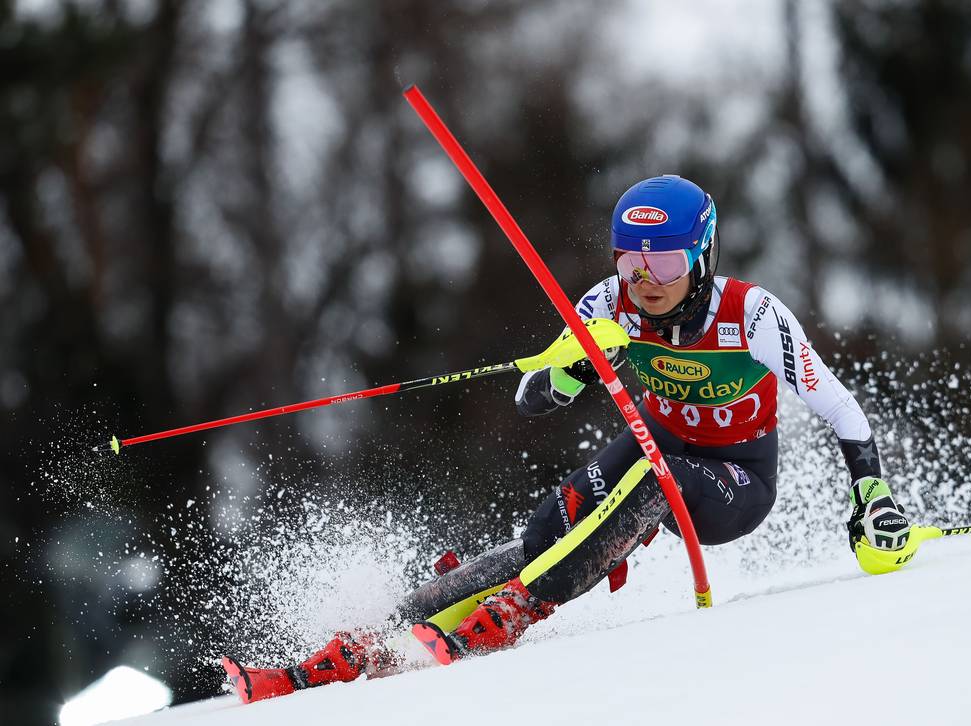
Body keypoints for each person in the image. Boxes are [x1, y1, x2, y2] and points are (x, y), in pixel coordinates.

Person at [221, 174, 916, 703]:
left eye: (666, 265)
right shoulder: (605, 305)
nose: (646, 283)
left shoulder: (752, 315)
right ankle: (358, 645)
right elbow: (531, 398)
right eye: (631, 263)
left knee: (654, 477)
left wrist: (872, 494)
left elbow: (841, 408)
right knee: (544, 531)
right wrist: (577, 369)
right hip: (656, 450)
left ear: (701, 256)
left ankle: (513, 614)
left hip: (734, 482)